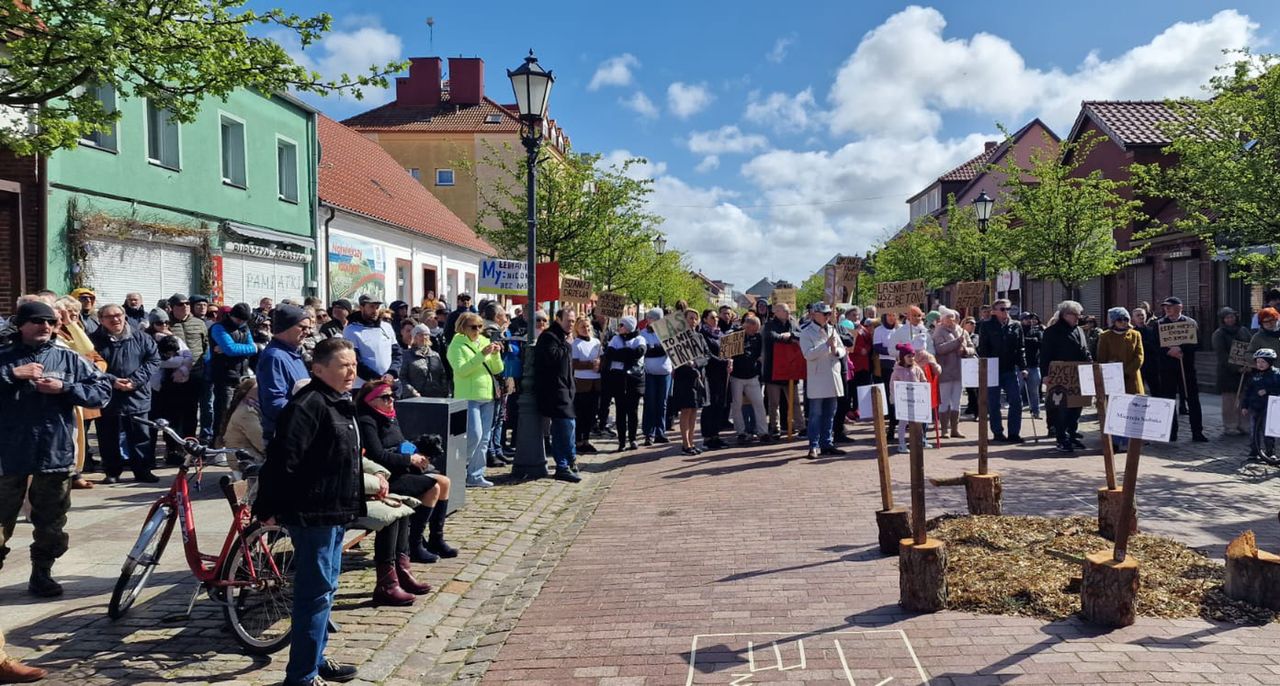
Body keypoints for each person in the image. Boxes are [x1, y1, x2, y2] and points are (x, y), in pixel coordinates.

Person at [253, 337, 361, 686]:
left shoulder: (338, 401)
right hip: (313, 513)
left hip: (334, 511)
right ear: (318, 369)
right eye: (343, 365)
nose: (351, 371)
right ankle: (301, 675)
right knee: (313, 594)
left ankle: (315, 658)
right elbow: (284, 460)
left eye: (354, 364)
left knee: (326, 590)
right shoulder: (309, 404)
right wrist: (269, 506)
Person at [0, 301, 112, 598]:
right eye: (37, 321)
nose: (45, 327)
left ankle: (42, 573)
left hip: (54, 452)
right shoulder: (4, 357)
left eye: (50, 322)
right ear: (21, 325)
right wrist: (11, 375)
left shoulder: (68, 357)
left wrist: (66, 389)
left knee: (51, 523)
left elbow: (102, 392)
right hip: (8, 454)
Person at [356, 381, 456, 564]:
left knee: (445, 482)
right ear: (370, 401)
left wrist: (415, 453)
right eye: (385, 397)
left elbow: (399, 443)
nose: (391, 400)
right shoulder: (367, 420)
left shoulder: (390, 416)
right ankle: (414, 544)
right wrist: (409, 460)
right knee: (433, 488)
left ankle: (436, 539)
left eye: (392, 396)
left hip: (401, 468)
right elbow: (377, 455)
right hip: (385, 475)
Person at [91, 304, 162, 484]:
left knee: (140, 435)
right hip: (108, 394)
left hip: (137, 394)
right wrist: (112, 380)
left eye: (118, 315)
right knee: (108, 435)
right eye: (109, 317)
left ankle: (143, 470)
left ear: (124, 316)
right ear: (101, 320)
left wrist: (135, 381)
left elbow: (153, 360)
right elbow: (89, 365)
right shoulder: (93, 341)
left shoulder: (141, 338)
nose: (115, 319)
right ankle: (112, 471)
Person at [448, 312, 505, 488]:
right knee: (474, 434)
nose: (478, 330)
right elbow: (462, 369)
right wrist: (481, 355)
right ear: (462, 327)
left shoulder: (484, 341)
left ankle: (475, 475)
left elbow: (498, 369)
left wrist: (495, 354)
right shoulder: (456, 345)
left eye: (480, 327)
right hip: (469, 396)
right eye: (473, 327)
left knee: (484, 439)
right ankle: (456, 467)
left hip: (487, 395)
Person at [535, 307, 583, 481]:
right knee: (564, 427)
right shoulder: (549, 337)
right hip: (555, 390)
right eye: (568, 320)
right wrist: (567, 345)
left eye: (573, 321)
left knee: (569, 426)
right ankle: (562, 465)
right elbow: (553, 359)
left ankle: (570, 461)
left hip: (566, 389)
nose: (571, 324)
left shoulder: (562, 338)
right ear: (558, 319)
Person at [256, 305, 313, 446]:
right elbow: (274, 403)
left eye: (309, 328)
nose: (307, 332)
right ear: (286, 327)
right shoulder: (274, 357)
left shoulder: (293, 353)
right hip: (285, 435)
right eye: (302, 327)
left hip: (300, 431)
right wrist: (309, 414)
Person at [1040, 300, 1092, 453]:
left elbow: (1085, 349)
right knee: (1062, 409)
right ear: (1065, 314)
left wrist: (1089, 361)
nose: (1078, 318)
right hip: (1061, 377)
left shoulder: (1079, 330)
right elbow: (1045, 355)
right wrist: (1045, 375)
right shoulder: (1051, 332)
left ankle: (1072, 435)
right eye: (1075, 315)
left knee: (1076, 407)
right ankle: (1062, 438)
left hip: (1078, 375)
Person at [1154, 297, 1206, 442]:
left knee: (1193, 400)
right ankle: (1171, 432)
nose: (1167, 309)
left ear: (1180, 307)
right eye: (1165, 307)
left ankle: (1197, 432)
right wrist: (1168, 351)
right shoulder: (1158, 324)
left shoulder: (1190, 323)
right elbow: (1154, 345)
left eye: (1170, 306)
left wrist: (1181, 348)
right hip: (1167, 369)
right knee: (1169, 401)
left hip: (1187, 368)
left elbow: (1197, 343)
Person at [799, 303, 847, 458]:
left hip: (832, 376)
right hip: (818, 378)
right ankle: (813, 445)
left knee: (830, 413)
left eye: (828, 314)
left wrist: (835, 350)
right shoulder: (806, 333)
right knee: (815, 414)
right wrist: (825, 346)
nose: (827, 316)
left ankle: (827, 443)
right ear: (815, 314)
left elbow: (842, 349)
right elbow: (808, 354)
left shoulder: (832, 329)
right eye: (824, 314)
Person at [977, 298, 1026, 443]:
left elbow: (1021, 348)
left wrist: (1023, 368)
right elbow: (983, 348)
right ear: (994, 311)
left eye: (1008, 309)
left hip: (1010, 369)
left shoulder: (1016, 325)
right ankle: (997, 432)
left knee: (1016, 401)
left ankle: (1014, 433)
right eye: (1002, 309)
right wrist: (985, 366)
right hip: (993, 368)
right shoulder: (986, 326)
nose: (1006, 312)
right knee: (993, 403)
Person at [166, 293, 209, 446]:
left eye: (186, 304)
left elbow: (205, 345)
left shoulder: (199, 323)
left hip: (195, 372)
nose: (184, 306)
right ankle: (172, 447)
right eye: (180, 304)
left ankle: (190, 444)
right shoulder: (167, 324)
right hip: (173, 373)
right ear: (171, 307)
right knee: (173, 412)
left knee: (191, 410)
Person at [208, 303, 257, 432]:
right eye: (238, 319)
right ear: (231, 316)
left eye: (243, 320)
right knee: (224, 413)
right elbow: (231, 349)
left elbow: (253, 348)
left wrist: (229, 348)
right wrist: (231, 349)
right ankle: (217, 443)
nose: (240, 322)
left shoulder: (244, 328)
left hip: (242, 375)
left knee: (239, 413)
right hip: (224, 376)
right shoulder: (219, 328)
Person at [603, 317, 646, 452]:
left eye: (622, 325)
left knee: (632, 411)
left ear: (629, 327)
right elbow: (609, 353)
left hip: (634, 380)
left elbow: (638, 353)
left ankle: (632, 438)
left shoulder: (639, 339)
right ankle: (621, 441)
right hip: (618, 379)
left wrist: (621, 353)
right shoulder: (616, 339)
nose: (619, 327)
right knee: (620, 411)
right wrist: (627, 352)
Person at [669, 309, 709, 455]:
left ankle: (691, 442)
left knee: (694, 410)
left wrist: (696, 364)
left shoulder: (699, 336)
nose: (693, 321)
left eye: (695, 318)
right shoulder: (677, 338)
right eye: (690, 318)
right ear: (684, 320)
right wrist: (686, 364)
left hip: (697, 376)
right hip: (684, 376)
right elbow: (675, 356)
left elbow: (706, 355)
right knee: (685, 410)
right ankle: (685, 444)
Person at [762, 303, 803, 440]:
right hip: (774, 369)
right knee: (774, 403)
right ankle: (775, 427)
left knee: (795, 400)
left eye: (788, 310)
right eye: (785, 310)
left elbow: (801, 334)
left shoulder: (793, 323)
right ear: (777, 312)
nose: (788, 312)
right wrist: (785, 338)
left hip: (790, 368)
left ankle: (800, 426)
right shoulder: (769, 324)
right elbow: (771, 336)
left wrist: (791, 334)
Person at [344, 294, 402, 390]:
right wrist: (378, 380)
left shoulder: (386, 327)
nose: (375, 311)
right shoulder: (351, 330)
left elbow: (397, 354)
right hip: (365, 386)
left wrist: (392, 373)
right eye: (371, 307)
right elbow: (355, 361)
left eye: (377, 307)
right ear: (361, 307)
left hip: (390, 383)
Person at [933, 306, 974, 438]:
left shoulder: (962, 331)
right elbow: (939, 349)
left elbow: (972, 347)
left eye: (953, 317)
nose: (952, 320)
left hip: (960, 371)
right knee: (944, 401)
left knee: (956, 401)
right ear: (943, 319)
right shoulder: (938, 332)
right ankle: (944, 428)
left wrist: (966, 351)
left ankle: (955, 429)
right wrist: (956, 342)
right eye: (948, 318)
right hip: (945, 371)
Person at [1213, 307, 1253, 437]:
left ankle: (1244, 424)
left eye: (1232, 317)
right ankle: (1230, 425)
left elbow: (1251, 348)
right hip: (1227, 373)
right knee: (1230, 401)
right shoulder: (1219, 334)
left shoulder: (1244, 331)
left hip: (1245, 371)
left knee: (1244, 400)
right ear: (1223, 320)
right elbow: (1222, 355)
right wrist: (1236, 368)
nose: (1230, 319)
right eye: (1227, 317)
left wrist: (1249, 365)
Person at [728, 315, 767, 443]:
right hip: (737, 376)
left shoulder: (757, 337)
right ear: (747, 325)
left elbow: (758, 354)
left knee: (759, 403)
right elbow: (728, 353)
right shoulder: (734, 335)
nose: (755, 332)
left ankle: (763, 432)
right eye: (753, 329)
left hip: (752, 375)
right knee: (737, 404)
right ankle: (741, 432)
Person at [639, 308, 673, 445]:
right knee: (650, 403)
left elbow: (669, 349)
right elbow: (647, 352)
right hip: (650, 373)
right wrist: (659, 349)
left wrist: (656, 348)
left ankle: (660, 431)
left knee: (662, 403)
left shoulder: (667, 332)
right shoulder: (643, 334)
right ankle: (649, 433)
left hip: (665, 373)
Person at [570, 314, 602, 456]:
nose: (586, 329)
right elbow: (575, 363)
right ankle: (578, 441)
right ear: (577, 329)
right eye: (583, 327)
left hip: (596, 382)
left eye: (588, 326)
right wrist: (590, 364)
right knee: (580, 413)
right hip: (582, 383)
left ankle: (587, 439)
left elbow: (602, 358)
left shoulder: (596, 342)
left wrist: (600, 364)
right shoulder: (576, 344)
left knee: (591, 414)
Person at [698, 309, 730, 450]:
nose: (716, 319)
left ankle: (716, 435)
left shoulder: (719, 333)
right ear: (705, 319)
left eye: (716, 317)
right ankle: (707, 437)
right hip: (709, 374)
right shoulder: (702, 335)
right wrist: (723, 362)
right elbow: (708, 355)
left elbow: (727, 351)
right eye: (712, 317)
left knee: (719, 404)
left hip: (722, 374)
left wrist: (730, 360)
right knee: (709, 405)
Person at [1242, 348, 1280, 462]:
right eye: (1258, 362)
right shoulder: (1254, 376)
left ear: (1270, 362)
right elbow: (1248, 391)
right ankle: (1254, 451)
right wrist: (1245, 406)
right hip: (1255, 407)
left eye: (1263, 362)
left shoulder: (1277, 374)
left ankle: (1270, 452)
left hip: (1270, 408)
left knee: (1268, 431)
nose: (1260, 364)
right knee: (1254, 431)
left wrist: (1267, 391)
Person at [1096, 307, 1145, 395]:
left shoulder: (1135, 334)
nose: (1123, 322)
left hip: (1132, 377)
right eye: (1119, 319)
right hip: (1113, 378)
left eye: (1125, 319)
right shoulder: (1105, 336)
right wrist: (1111, 373)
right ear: (1113, 321)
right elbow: (1102, 358)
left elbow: (1139, 357)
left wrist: (1127, 372)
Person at [890, 343, 927, 453]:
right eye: (908, 356)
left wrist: (924, 387)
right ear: (902, 357)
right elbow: (892, 387)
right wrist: (895, 399)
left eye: (912, 356)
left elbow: (923, 380)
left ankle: (916, 442)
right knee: (903, 422)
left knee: (916, 422)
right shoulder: (896, 372)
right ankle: (901, 443)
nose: (911, 358)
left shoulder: (917, 369)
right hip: (903, 402)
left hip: (916, 401)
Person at [400, 323, 449, 399]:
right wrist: (412, 392)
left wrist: (443, 391)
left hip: (436, 397)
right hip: (415, 398)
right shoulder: (407, 355)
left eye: (426, 335)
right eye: (420, 335)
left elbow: (442, 375)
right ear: (414, 337)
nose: (424, 337)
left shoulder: (435, 355)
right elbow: (402, 377)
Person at [872, 311, 900, 434]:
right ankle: (892, 425)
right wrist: (892, 352)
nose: (891, 317)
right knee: (890, 395)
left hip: (902, 364)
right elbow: (877, 347)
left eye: (894, 315)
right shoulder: (879, 330)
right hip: (886, 364)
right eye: (889, 315)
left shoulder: (901, 329)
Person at [1019, 312, 1045, 420]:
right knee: (1017, 390)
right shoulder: (1018, 330)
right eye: (1025, 318)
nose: (1029, 320)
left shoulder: (1037, 330)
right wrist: (1031, 341)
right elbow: (1017, 343)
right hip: (1019, 365)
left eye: (1030, 318)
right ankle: (1017, 411)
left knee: (1034, 390)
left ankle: (1036, 412)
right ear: (1021, 320)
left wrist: (1027, 341)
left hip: (1034, 365)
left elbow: (1040, 342)